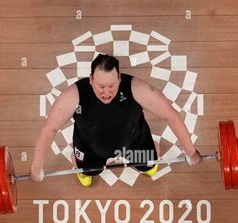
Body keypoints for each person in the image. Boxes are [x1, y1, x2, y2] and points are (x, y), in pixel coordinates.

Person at [29, 54, 202, 186]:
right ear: (91, 80)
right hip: (91, 150)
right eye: (101, 86)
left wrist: (191, 151)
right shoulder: (74, 95)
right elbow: (49, 129)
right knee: (88, 174)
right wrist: (36, 167)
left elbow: (170, 114)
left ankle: (153, 149)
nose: (107, 92)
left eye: (111, 85)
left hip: (133, 146)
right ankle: (79, 160)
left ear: (119, 78)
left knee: (150, 167)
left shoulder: (136, 88)